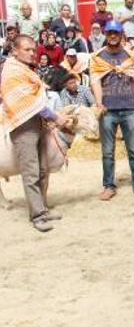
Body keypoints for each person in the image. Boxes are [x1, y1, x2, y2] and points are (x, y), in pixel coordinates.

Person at [1, 35, 70, 231]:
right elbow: (29, 102)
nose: (33, 53)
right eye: (27, 50)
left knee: (41, 170)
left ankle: (42, 209)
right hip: (23, 127)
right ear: (15, 51)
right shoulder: (12, 71)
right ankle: (37, 216)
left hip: (36, 123)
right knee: (30, 172)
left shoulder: (25, 69)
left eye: (34, 50)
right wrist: (55, 118)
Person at [90, 20, 134, 201]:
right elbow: (95, 81)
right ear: (105, 34)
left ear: (121, 34)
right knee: (107, 151)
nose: (112, 36)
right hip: (108, 110)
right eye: (109, 33)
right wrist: (99, 103)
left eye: (116, 33)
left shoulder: (131, 56)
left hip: (129, 108)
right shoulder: (97, 57)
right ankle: (109, 186)